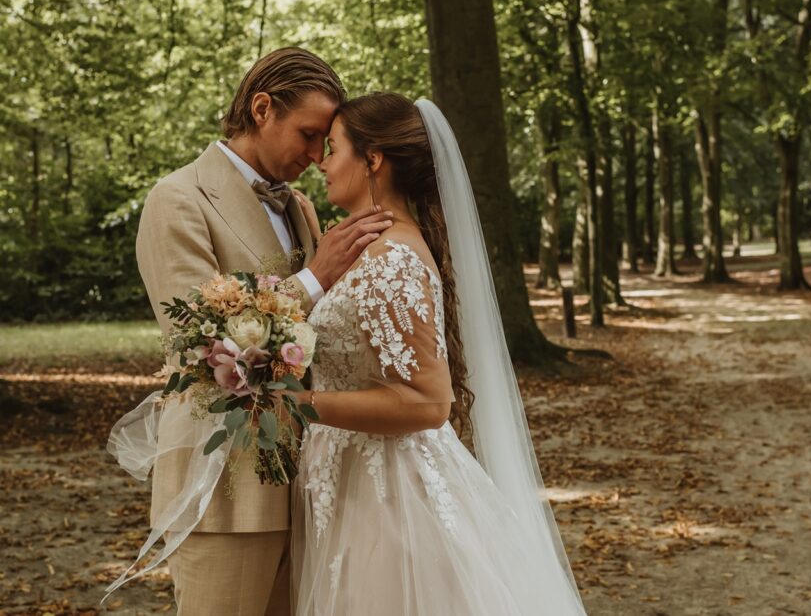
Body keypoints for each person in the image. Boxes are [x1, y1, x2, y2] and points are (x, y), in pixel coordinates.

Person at [106, 47, 391, 615]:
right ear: (262, 109)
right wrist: (315, 277)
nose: (316, 156)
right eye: (309, 135)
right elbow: (196, 344)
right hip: (226, 484)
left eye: (324, 142)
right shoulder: (177, 200)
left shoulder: (302, 208)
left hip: (310, 480)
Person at [288, 92, 587, 615]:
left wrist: (295, 402)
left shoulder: (391, 258)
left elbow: (427, 404)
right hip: (350, 476)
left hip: (389, 496)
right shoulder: (367, 248)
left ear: (373, 158)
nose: (321, 161)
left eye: (333, 149)